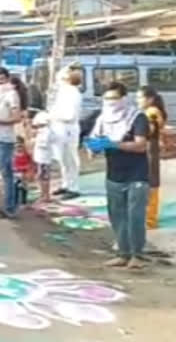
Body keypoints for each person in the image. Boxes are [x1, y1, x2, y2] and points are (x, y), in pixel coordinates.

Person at [87, 82, 150, 269]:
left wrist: (115, 144)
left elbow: (141, 145)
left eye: (114, 98)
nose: (110, 102)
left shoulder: (137, 117)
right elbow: (94, 141)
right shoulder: (102, 119)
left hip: (137, 174)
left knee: (135, 215)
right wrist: (93, 148)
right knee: (117, 216)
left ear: (124, 98)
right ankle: (123, 253)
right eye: (107, 98)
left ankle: (137, 255)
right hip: (114, 174)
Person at [0, 67, 23, 219]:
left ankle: (10, 208)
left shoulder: (12, 94)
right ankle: (9, 206)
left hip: (5, 139)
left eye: (1, 78)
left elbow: (16, 117)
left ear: (7, 78)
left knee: (7, 173)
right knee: (4, 172)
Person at [49, 65, 83, 200]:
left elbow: (70, 115)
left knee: (70, 159)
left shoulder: (73, 93)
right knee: (62, 159)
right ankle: (65, 184)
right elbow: (58, 75)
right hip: (59, 126)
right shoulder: (64, 90)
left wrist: (52, 116)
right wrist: (69, 66)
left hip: (68, 127)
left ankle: (74, 187)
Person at [137, 86, 167, 229]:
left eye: (140, 97)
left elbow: (150, 131)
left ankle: (150, 220)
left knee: (151, 184)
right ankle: (149, 218)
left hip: (150, 151)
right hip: (150, 150)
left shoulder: (152, 113)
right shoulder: (149, 112)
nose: (137, 100)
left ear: (150, 99)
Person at [30, 111, 53, 203]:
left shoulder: (46, 132)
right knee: (41, 176)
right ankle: (43, 194)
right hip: (41, 158)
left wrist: (35, 139)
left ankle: (46, 195)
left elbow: (44, 144)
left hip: (44, 159)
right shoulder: (43, 131)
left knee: (44, 177)